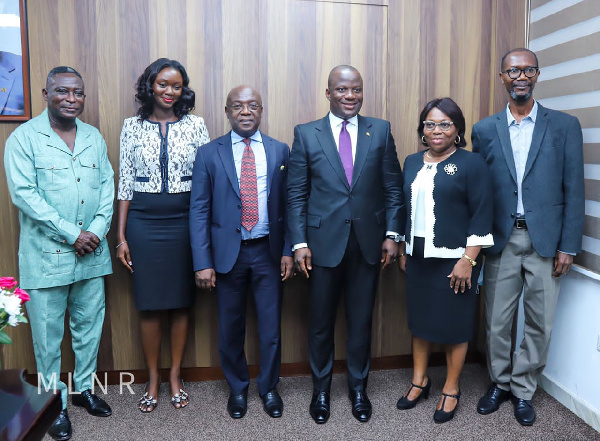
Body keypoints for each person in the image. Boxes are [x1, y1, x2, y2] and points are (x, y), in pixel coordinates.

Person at [472, 48, 584, 426]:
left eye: (528, 69)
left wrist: (569, 245)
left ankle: (523, 389)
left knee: (540, 322)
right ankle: (499, 383)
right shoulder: (485, 129)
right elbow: (479, 189)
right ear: (501, 77)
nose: (520, 76)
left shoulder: (564, 126)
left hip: (546, 243)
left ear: (537, 75)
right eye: (512, 70)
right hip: (500, 240)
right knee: (496, 323)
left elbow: (575, 188)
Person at [287, 65, 404, 424]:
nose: (349, 96)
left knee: (361, 320)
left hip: (368, 243)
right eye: (341, 90)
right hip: (321, 244)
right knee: (320, 322)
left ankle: (358, 389)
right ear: (328, 93)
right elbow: (296, 195)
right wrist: (299, 241)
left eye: (355, 89)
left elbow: (393, 188)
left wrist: (392, 234)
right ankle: (321, 390)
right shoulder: (307, 134)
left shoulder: (380, 130)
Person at [4, 66, 114, 441]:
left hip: (92, 254)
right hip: (46, 257)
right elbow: (24, 195)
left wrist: (96, 232)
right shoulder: (23, 139)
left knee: (89, 328)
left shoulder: (93, 137)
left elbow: (106, 189)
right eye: (63, 91)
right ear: (45, 92)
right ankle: (54, 404)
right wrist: (73, 234)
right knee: (48, 338)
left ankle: (84, 390)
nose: (71, 99)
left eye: (78, 93)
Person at [190, 85, 293, 419]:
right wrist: (202, 262)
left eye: (253, 106)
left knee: (270, 327)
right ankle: (237, 388)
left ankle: (268, 388)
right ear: (227, 111)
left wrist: (289, 250)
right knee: (229, 327)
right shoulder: (209, 153)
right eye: (238, 106)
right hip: (226, 255)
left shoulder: (280, 151)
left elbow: (290, 206)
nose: (245, 111)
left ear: (261, 111)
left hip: (268, 251)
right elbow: (199, 211)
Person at [116, 58, 210, 412]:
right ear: (150, 86)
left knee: (182, 301)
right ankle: (153, 378)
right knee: (151, 304)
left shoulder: (197, 125)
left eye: (177, 86)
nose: (170, 92)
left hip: (187, 221)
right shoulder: (131, 126)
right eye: (163, 84)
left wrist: (206, 234)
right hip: (144, 222)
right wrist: (121, 236)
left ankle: (175, 376)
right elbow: (125, 181)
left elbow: (206, 180)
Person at [395, 98, 494, 423]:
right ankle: (419, 381)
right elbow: (405, 209)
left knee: (455, 326)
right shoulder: (411, 161)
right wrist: (403, 248)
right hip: (418, 258)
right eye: (430, 124)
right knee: (420, 323)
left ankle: (451, 388)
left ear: (458, 130)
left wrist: (468, 259)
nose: (436, 130)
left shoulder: (472, 163)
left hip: (456, 261)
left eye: (445, 124)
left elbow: (482, 214)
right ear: (423, 129)